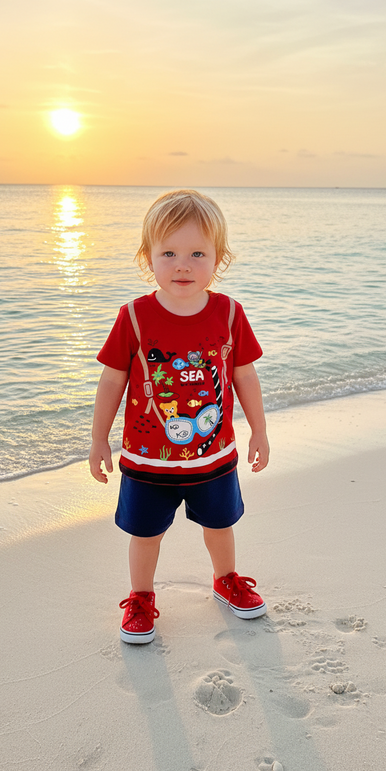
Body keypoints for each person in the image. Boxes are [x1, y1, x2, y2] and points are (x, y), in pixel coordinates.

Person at [89, 189, 269, 644]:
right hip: (149, 460)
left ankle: (226, 580)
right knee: (146, 535)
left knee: (220, 526)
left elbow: (244, 376)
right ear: (147, 257)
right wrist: (97, 441)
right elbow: (112, 382)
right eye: (168, 252)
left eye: (196, 253)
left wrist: (259, 431)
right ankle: (141, 597)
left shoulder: (229, 313)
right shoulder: (133, 317)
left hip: (213, 456)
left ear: (218, 259)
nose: (182, 264)